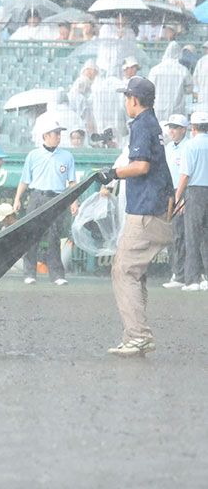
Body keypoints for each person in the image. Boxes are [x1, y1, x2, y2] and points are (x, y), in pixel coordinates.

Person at [94, 77, 175, 356]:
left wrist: (113, 174)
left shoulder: (142, 124)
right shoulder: (151, 123)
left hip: (145, 209)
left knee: (124, 269)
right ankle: (135, 334)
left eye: (126, 97)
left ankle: (138, 335)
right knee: (134, 272)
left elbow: (140, 166)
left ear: (134, 100)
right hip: (154, 205)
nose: (125, 102)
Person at [14, 118, 79, 286]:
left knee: (54, 237)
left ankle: (57, 274)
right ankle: (30, 273)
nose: (59, 137)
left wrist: (74, 201)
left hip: (57, 199)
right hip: (36, 197)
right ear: (45, 136)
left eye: (59, 134)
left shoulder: (67, 156)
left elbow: (72, 182)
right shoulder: (33, 155)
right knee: (31, 236)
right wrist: (17, 199)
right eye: (56, 134)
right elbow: (25, 180)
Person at [175, 112, 208, 291]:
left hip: (195, 193)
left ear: (193, 128)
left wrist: (179, 196)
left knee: (192, 236)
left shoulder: (190, 146)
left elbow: (185, 175)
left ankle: (192, 279)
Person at [162, 114, 189, 289]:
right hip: (168, 192)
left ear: (184, 130)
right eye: (170, 127)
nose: (171, 131)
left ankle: (181, 274)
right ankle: (177, 272)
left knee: (182, 234)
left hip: (183, 191)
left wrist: (182, 195)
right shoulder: (168, 148)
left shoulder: (189, 147)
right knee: (172, 234)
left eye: (175, 127)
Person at [149, 41, 193, 123]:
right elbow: (190, 89)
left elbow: (149, 89)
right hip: (177, 109)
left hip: (159, 107)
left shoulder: (155, 70)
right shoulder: (183, 70)